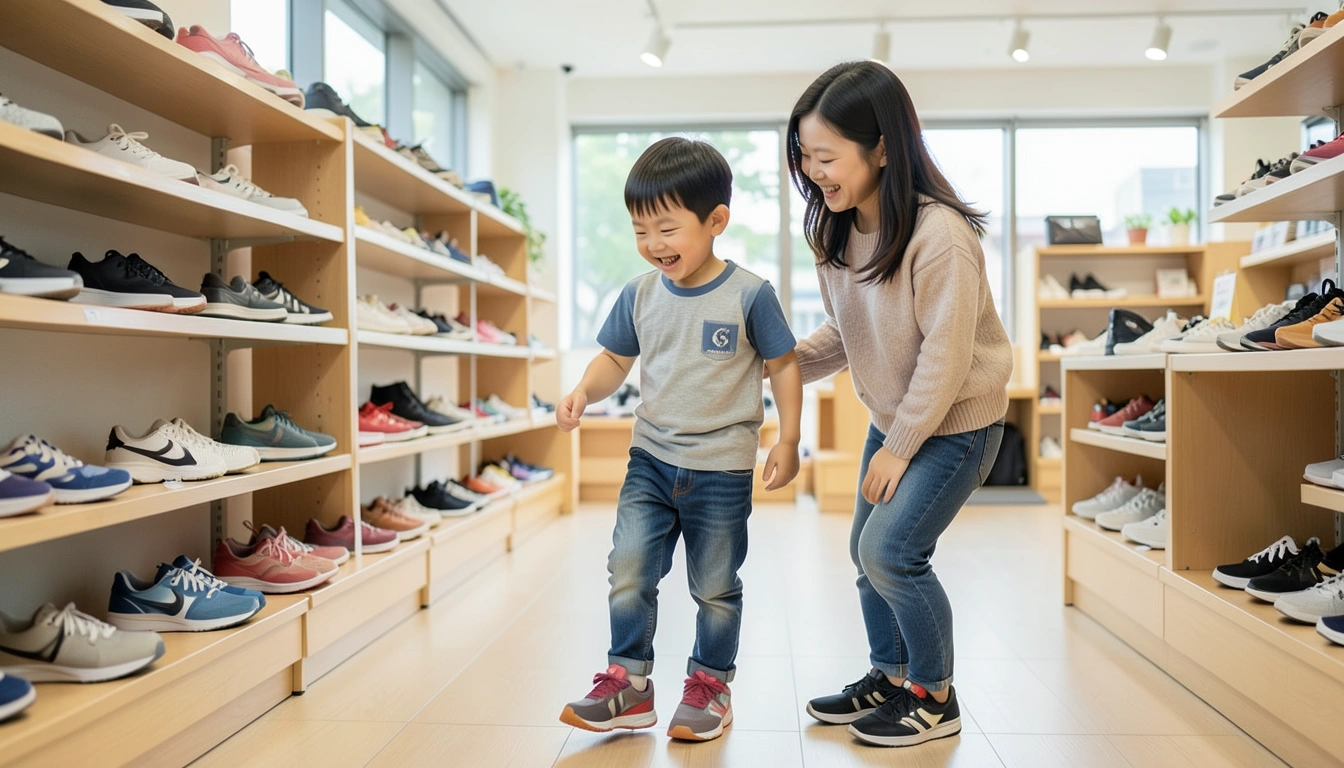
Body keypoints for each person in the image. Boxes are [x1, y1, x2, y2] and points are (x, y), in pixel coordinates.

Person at [788, 61, 1012, 748]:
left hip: (958, 425)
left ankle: (933, 695)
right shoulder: (837, 228)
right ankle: (890, 677)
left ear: (882, 147)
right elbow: (849, 336)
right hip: (897, 419)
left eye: (827, 156)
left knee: (891, 554)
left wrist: (899, 445)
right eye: (805, 156)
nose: (814, 171)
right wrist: (779, 364)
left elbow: (944, 363)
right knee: (865, 555)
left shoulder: (940, 237)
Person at [555, 137, 803, 742]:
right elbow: (615, 357)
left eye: (667, 228)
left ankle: (710, 687)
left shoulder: (749, 294)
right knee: (628, 569)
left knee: (714, 586)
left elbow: (786, 365)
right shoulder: (639, 293)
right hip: (651, 459)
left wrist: (789, 438)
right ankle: (629, 684)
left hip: (721, 467)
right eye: (641, 230)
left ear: (715, 221)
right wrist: (585, 389)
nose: (654, 245)